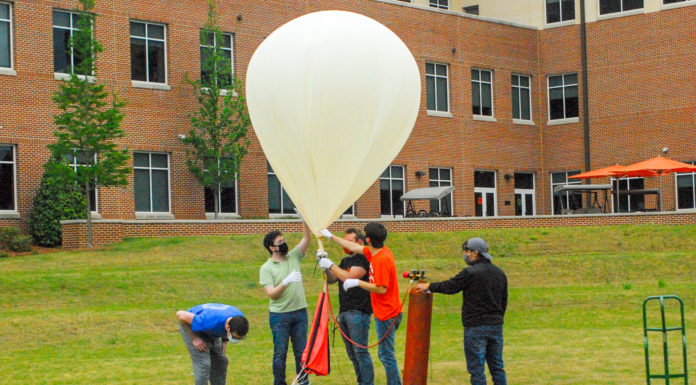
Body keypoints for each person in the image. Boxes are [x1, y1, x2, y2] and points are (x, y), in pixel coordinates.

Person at [415, 237, 508, 385]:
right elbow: (504, 301)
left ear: (475, 253)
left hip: (475, 327)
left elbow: (450, 286)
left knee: (477, 370)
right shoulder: (500, 273)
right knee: (497, 367)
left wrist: (429, 286)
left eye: (467, 251)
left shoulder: (470, 273)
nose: (465, 254)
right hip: (496, 326)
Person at [320, 222, 402, 385]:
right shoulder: (374, 252)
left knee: (386, 355)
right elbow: (354, 246)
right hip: (382, 312)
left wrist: (357, 283)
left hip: (388, 313)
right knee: (383, 354)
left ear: (368, 239)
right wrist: (331, 236)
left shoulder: (381, 258)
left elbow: (381, 289)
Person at [317, 228, 374, 385]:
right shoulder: (345, 261)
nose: (345, 244)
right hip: (344, 312)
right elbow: (333, 279)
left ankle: (367, 383)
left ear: (359, 242)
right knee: (351, 353)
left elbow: (350, 276)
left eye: (349, 241)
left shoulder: (364, 259)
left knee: (360, 352)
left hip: (359, 311)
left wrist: (331, 264)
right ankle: (361, 381)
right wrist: (325, 266)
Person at [260, 221, 312, 385]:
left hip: (300, 313)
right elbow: (271, 294)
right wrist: (286, 282)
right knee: (280, 353)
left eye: (283, 241)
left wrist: (304, 219)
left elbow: (307, 239)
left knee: (301, 353)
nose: (283, 244)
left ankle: (303, 381)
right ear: (271, 247)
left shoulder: (294, 256)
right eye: (279, 243)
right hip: (279, 316)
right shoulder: (267, 268)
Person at [176, 303, 249, 385]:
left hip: (211, 330)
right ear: (228, 328)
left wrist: (224, 343)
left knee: (221, 361)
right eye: (235, 337)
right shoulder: (208, 320)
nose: (236, 340)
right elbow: (180, 315)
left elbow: (226, 332)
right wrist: (194, 338)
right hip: (191, 326)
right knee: (204, 364)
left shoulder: (240, 319)